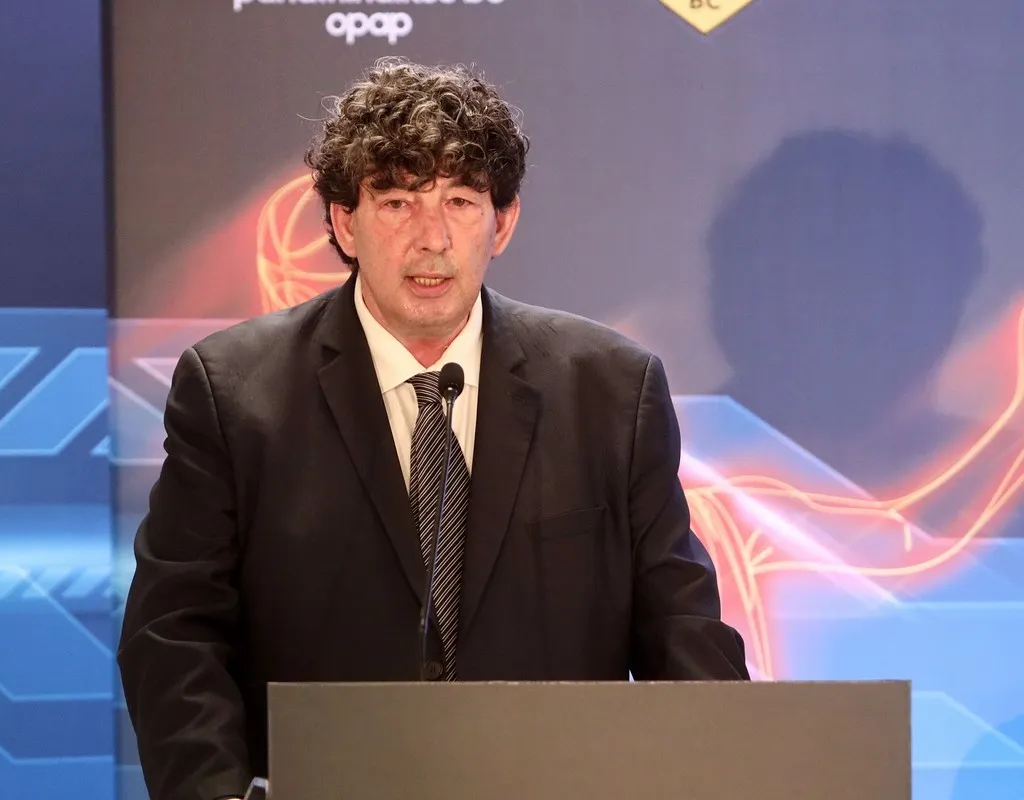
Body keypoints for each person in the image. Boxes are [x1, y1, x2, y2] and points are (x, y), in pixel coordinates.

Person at [117, 57, 749, 800]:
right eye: (397, 202)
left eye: (460, 201)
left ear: (502, 223)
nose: (432, 238)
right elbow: (174, 636)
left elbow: (683, 631)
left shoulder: (611, 390)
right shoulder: (233, 392)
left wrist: (728, 775)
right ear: (344, 223)